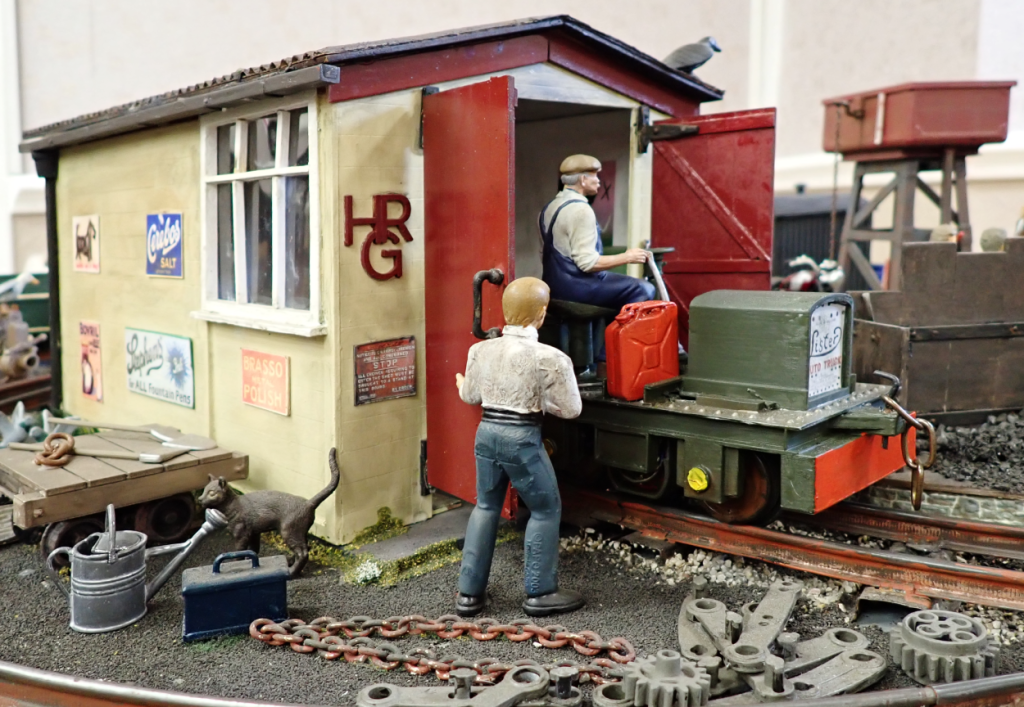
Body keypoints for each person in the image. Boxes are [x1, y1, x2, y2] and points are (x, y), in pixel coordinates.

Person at [454, 277, 584, 618]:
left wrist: (462, 384)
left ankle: (469, 594)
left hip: (487, 433)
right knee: (545, 509)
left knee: (485, 506)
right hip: (522, 440)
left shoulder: (479, 350)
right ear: (541, 314)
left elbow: (470, 395)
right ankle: (540, 592)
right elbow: (571, 409)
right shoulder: (551, 358)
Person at [539, 154, 656, 309]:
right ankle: (614, 332)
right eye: (595, 176)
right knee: (643, 288)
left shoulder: (548, 208)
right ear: (582, 180)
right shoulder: (581, 210)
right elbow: (587, 263)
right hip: (576, 288)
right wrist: (627, 257)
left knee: (622, 283)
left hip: (553, 286)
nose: (599, 181)